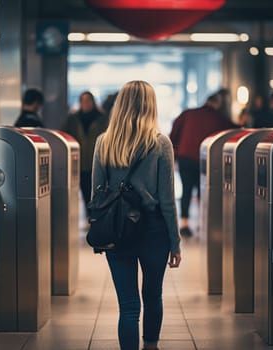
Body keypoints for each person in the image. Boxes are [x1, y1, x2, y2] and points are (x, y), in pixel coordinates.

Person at [91, 81, 181, 350]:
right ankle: (151, 346)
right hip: (153, 230)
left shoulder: (104, 142)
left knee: (128, 307)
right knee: (153, 296)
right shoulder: (160, 143)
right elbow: (167, 201)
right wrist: (175, 242)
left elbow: (97, 193)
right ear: (150, 105)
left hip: (117, 229)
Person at [170, 92, 238, 237]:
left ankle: (185, 224)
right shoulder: (218, 117)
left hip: (185, 157)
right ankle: (202, 223)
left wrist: (175, 153)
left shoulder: (188, 113)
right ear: (217, 104)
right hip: (205, 159)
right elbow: (233, 130)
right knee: (204, 191)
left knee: (186, 190)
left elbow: (174, 132)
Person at [63, 91, 108, 216]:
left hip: (99, 160)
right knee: (84, 188)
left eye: (88, 101)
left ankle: (97, 213)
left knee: (99, 188)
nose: (85, 104)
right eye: (83, 101)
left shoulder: (103, 119)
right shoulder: (73, 119)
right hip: (80, 162)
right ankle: (90, 213)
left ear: (93, 102)